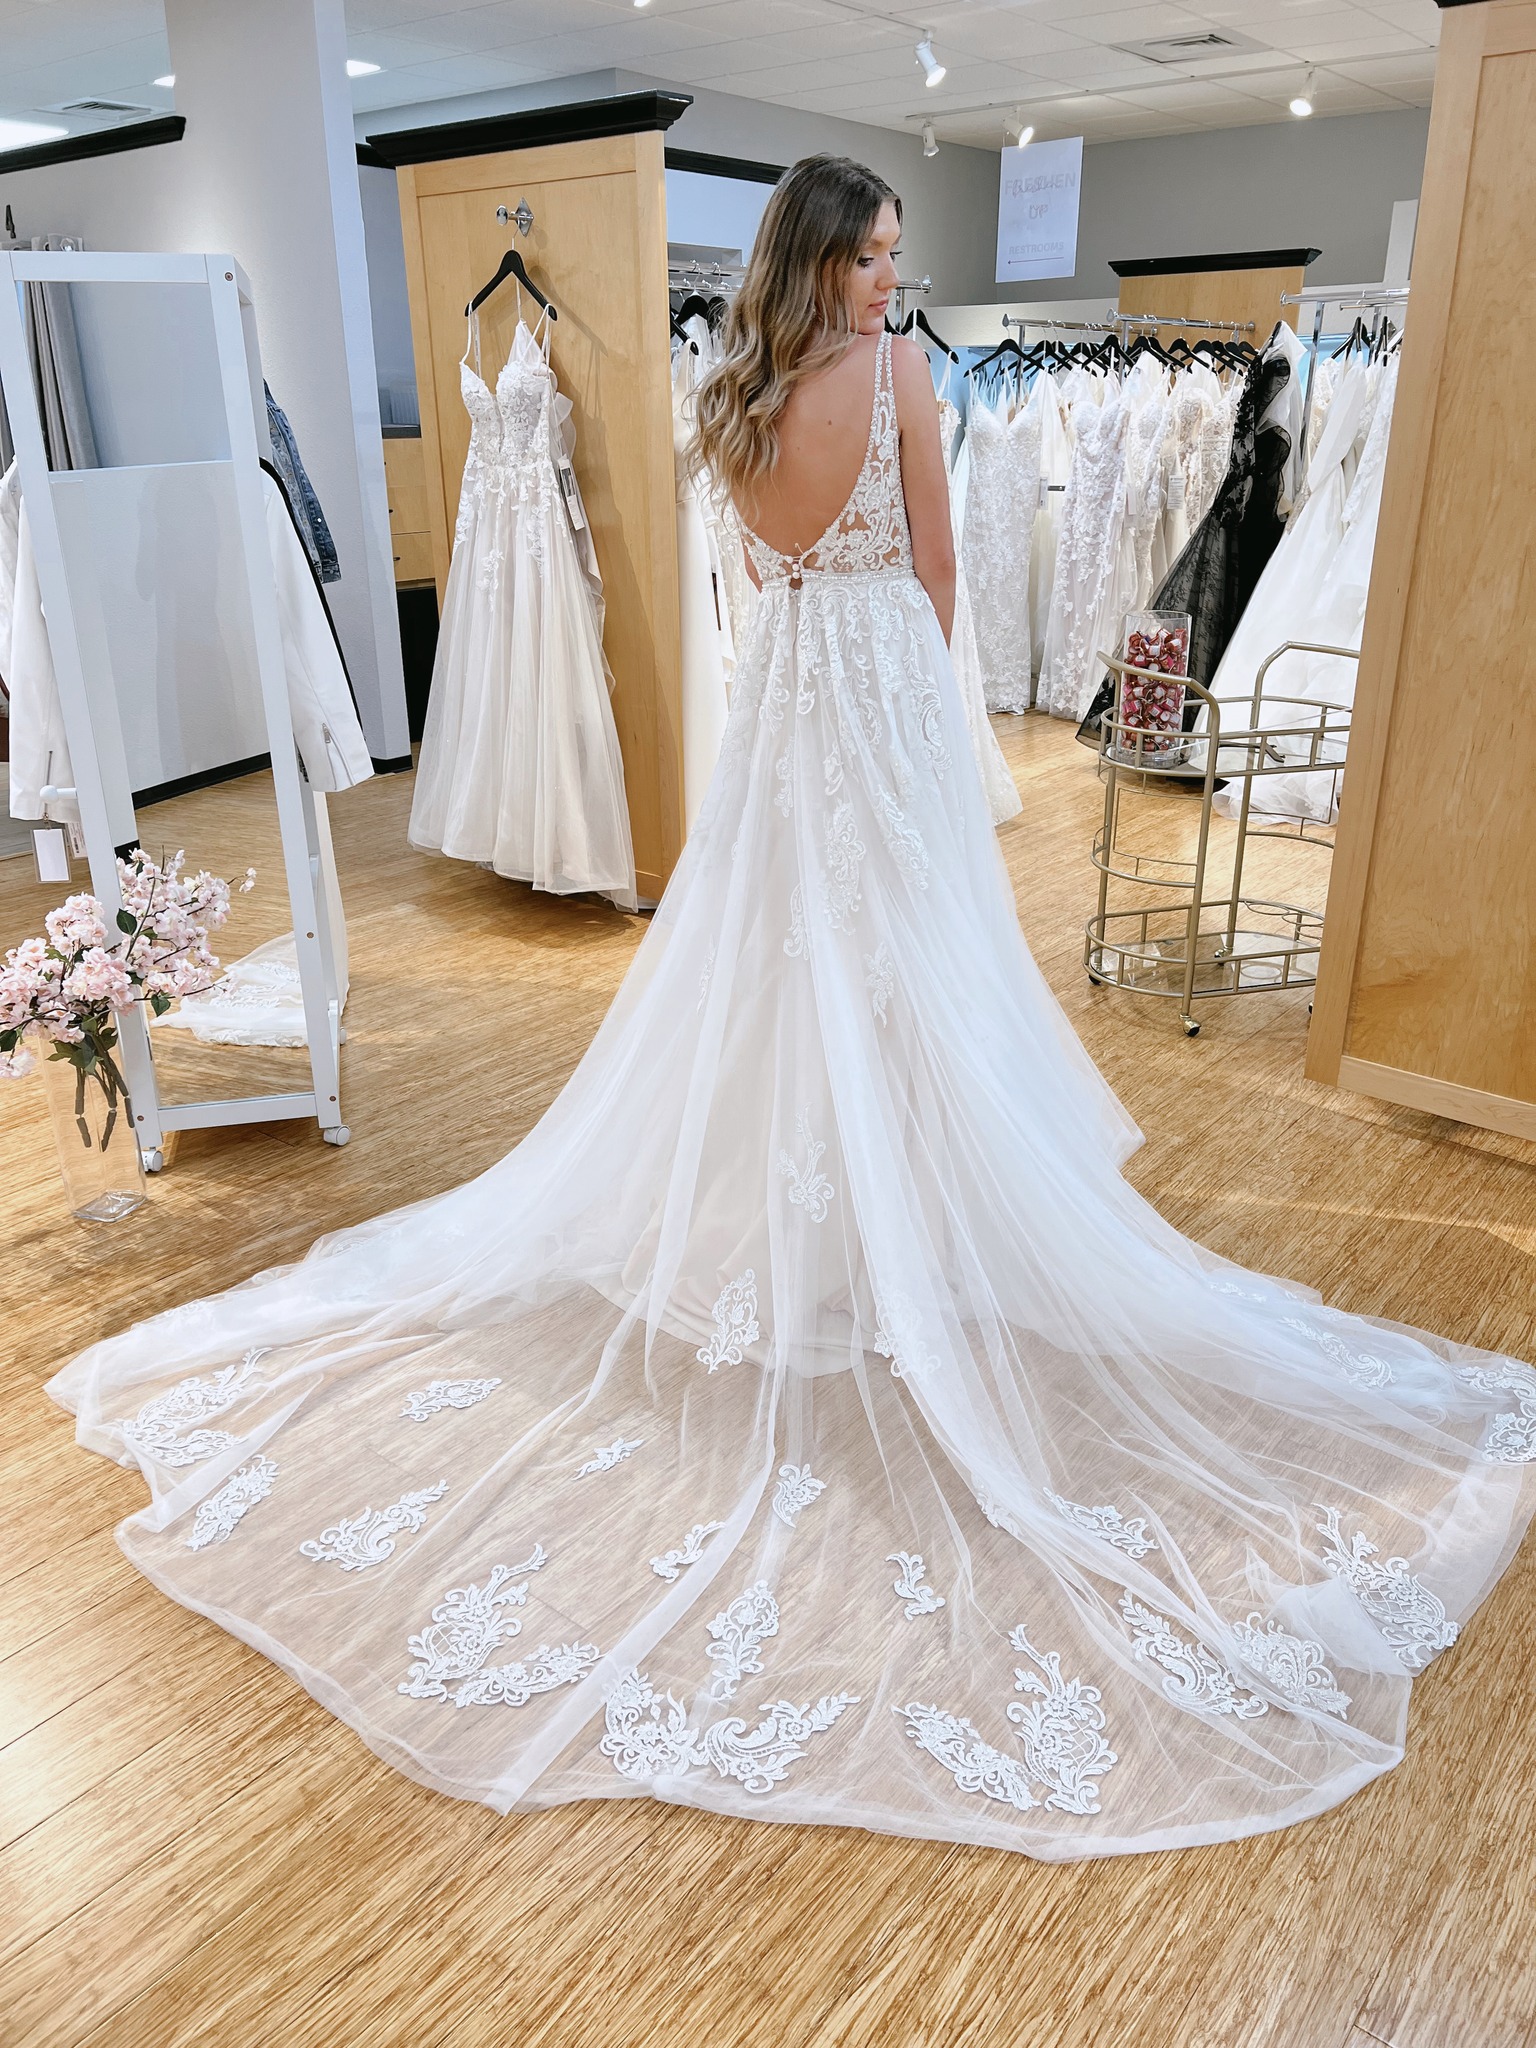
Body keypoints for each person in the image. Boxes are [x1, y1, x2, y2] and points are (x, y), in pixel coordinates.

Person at [49, 157, 1536, 1861]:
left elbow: (766, 570)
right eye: (875, 253)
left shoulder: (734, 386)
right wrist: (935, 706)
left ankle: (837, 1231)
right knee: (905, 968)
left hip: (790, 698)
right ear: (822, 258)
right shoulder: (896, 374)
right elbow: (944, 559)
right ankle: (904, 1229)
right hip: (882, 684)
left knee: (784, 967)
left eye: (899, 255)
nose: (892, 280)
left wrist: (844, 645)